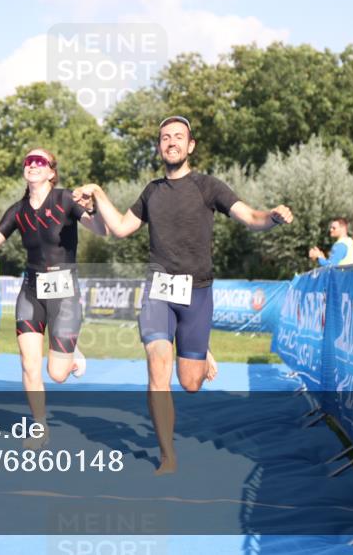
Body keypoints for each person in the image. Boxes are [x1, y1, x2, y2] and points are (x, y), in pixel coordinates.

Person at [73, 116, 293, 475]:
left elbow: (251, 217)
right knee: (158, 365)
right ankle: (167, 456)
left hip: (197, 294)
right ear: (159, 147)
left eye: (178, 137)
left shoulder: (208, 187)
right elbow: (121, 229)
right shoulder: (152, 191)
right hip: (158, 291)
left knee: (190, 383)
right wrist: (97, 193)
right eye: (165, 138)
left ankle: (201, 350)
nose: (171, 142)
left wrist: (272, 216)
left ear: (190, 146)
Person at [0, 148, 107, 447]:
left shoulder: (66, 199)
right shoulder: (18, 210)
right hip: (31, 291)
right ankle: (39, 427)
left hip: (64, 292)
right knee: (29, 364)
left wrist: (94, 207)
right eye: (29, 161)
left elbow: (101, 230)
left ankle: (71, 351)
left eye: (40, 161)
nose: (33, 165)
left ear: (51, 172)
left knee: (57, 374)